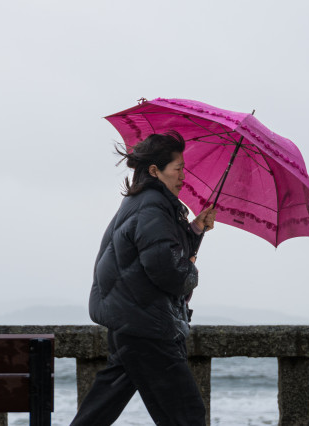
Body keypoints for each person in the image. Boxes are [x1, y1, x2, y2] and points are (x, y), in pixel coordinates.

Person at [70, 131, 216, 426]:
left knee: (99, 412)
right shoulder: (153, 206)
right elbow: (168, 272)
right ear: (154, 170)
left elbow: (159, 253)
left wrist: (196, 229)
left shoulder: (144, 202)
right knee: (187, 415)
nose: (183, 176)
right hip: (148, 327)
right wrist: (191, 272)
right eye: (178, 169)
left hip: (132, 321)